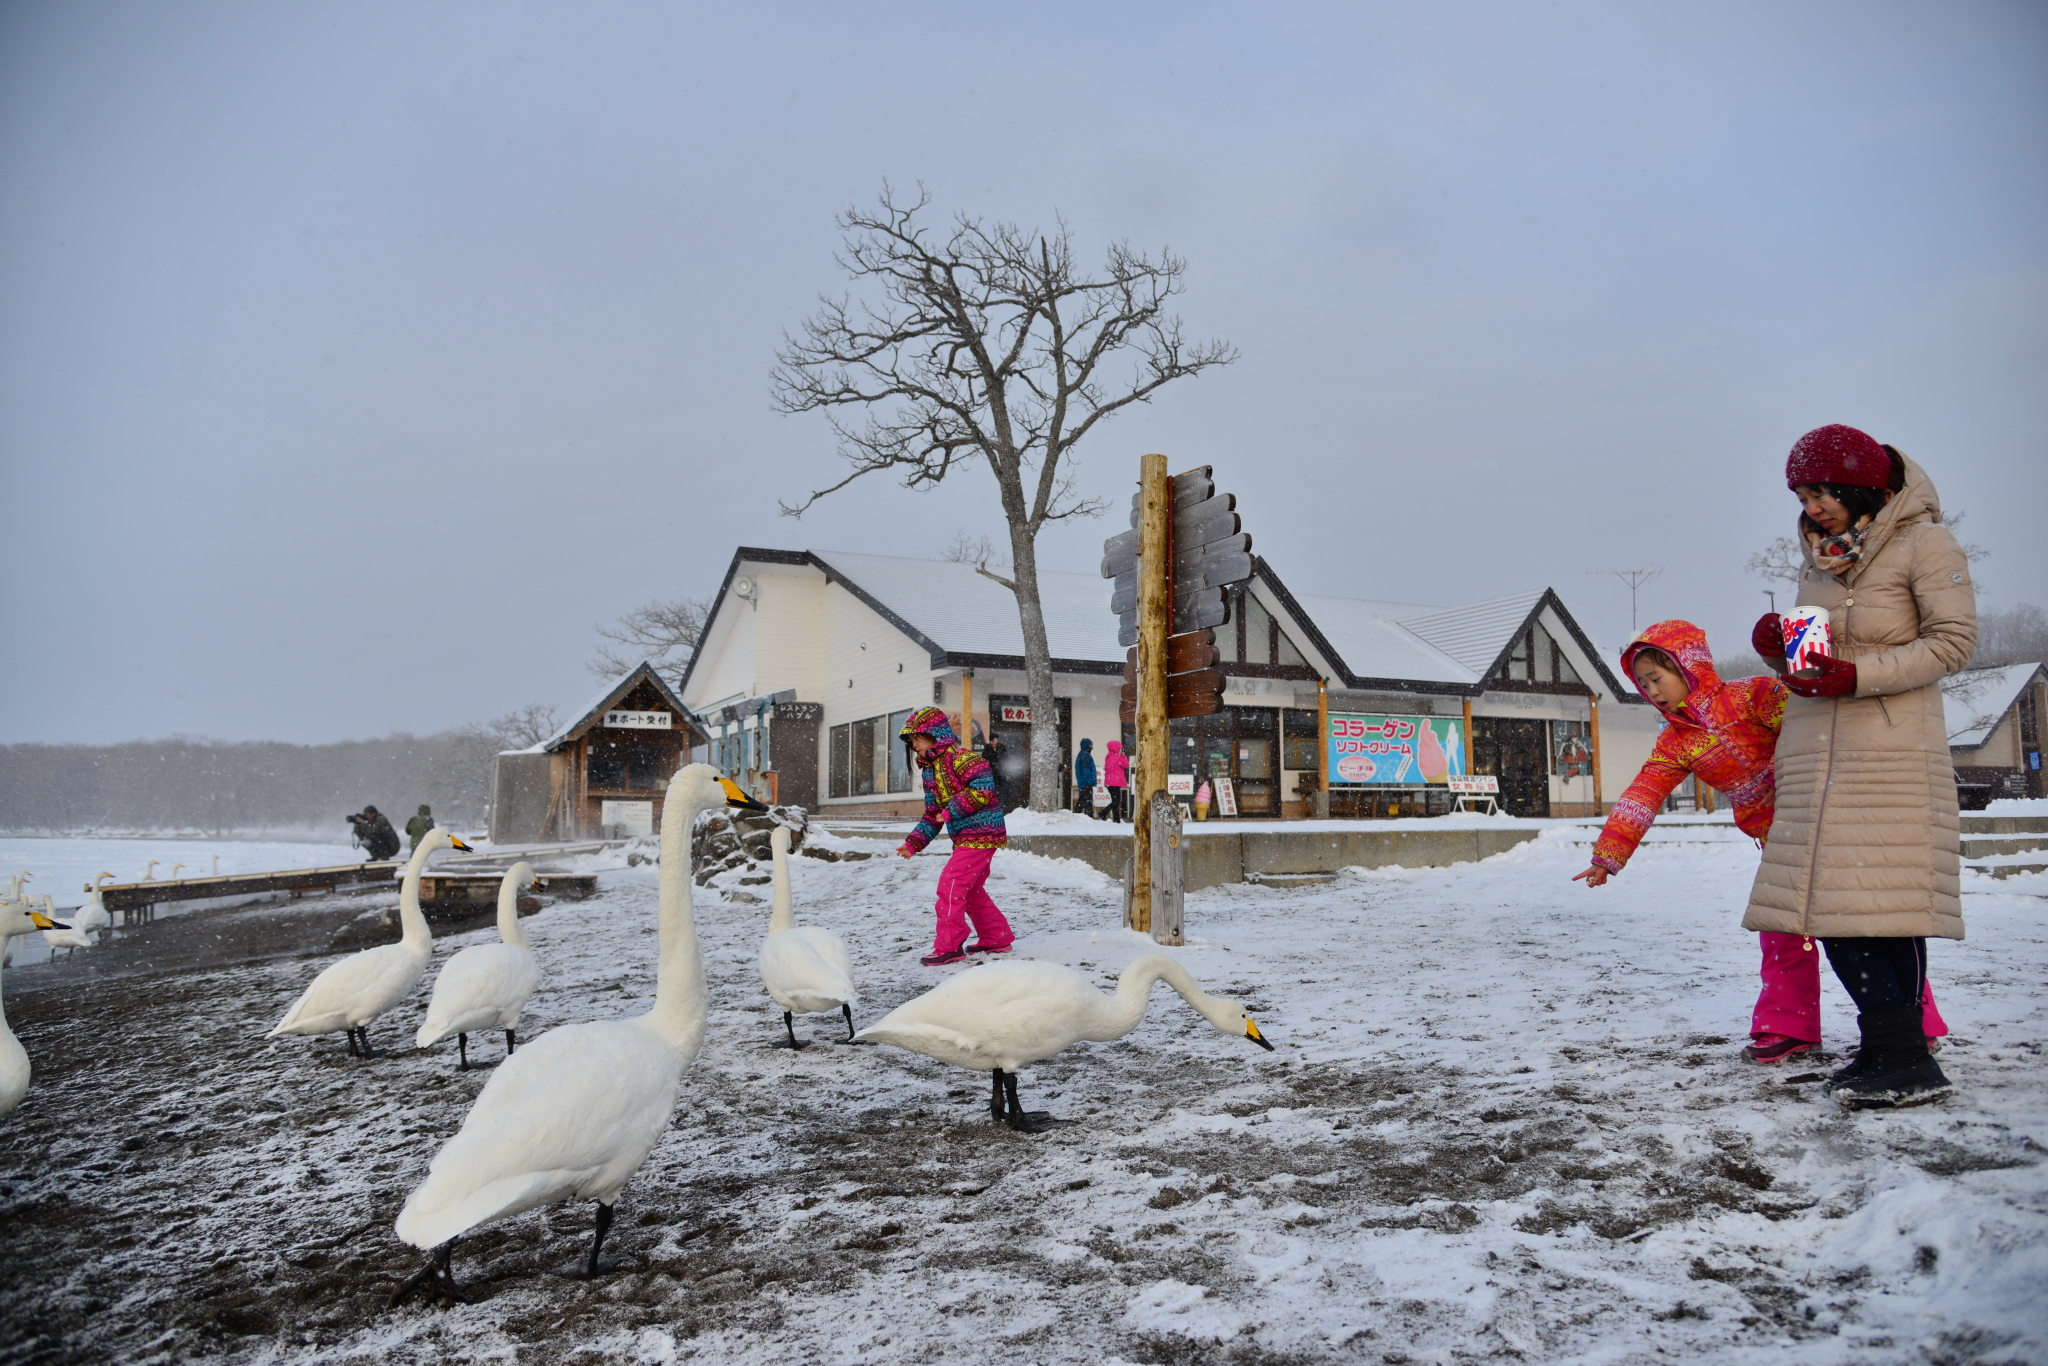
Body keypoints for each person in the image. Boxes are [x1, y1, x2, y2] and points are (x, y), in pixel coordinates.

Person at [1572, 619, 1947, 1063]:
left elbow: (1811, 725)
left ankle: (1913, 1022)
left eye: (1657, 678)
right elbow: (1643, 794)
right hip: (1778, 843)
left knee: (1869, 925)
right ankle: (1789, 1025)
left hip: (1825, 823)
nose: (1651, 691)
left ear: (1688, 666)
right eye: (1643, 684)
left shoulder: (1750, 696)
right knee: (1782, 933)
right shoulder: (1676, 743)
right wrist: (1608, 855)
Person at [1745, 425, 1975, 1110]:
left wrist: (1858, 676)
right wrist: (1779, 648)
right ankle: (1885, 1047)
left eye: (1821, 492)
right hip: (1816, 751)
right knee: (1832, 907)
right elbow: (1815, 656)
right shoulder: (1818, 559)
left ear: (1860, 487)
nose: (1812, 507)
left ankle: (1905, 1056)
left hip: (1888, 751)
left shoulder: (1926, 544)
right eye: (1803, 494)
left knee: (1877, 906)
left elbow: (1955, 643)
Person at [895, 707, 1015, 966]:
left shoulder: (962, 758)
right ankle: (996, 937)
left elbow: (983, 789)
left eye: (918, 737)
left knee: (951, 885)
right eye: (911, 740)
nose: (914, 744)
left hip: (983, 831)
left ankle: (950, 944)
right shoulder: (930, 770)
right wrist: (913, 843)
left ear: (935, 734)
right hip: (966, 836)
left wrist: (951, 810)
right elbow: (933, 814)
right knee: (970, 890)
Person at [1103, 739, 1130, 823]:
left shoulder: (1109, 756)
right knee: (1116, 801)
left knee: (1115, 801)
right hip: (1115, 783)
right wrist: (1123, 756)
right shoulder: (1118, 756)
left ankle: (1116, 819)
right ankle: (1104, 813)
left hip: (1109, 782)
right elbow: (1126, 765)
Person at [1074, 738, 1098, 817]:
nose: (1092, 747)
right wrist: (1090, 782)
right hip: (1086, 782)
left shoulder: (1082, 754)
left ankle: (1076, 813)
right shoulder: (1085, 755)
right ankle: (1088, 816)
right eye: (1091, 745)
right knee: (1088, 801)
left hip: (1083, 782)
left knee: (1082, 799)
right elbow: (1086, 770)